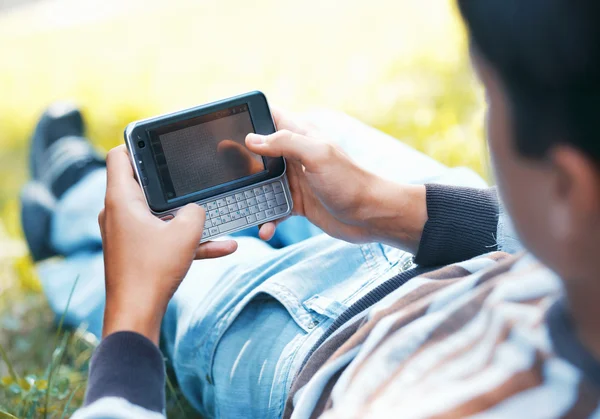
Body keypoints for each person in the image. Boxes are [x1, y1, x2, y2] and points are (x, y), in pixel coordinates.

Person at [21, 0, 600, 417]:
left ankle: (71, 194)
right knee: (306, 136)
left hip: (321, 335)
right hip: (469, 244)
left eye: (490, 99)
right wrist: (384, 207)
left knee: (196, 275)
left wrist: (134, 317)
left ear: (567, 188)